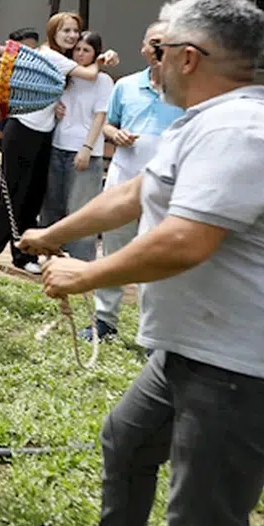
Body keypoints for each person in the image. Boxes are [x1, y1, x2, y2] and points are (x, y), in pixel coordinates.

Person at [19, 0, 264, 526]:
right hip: (196, 351)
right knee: (128, 441)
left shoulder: (241, 131)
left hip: (245, 369)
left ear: (188, 58)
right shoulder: (202, 124)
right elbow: (133, 196)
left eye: (160, 47)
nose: (151, 57)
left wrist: (84, 274)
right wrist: (52, 235)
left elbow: (186, 240)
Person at [0, 12, 117, 274]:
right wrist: (100, 59)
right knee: (13, 194)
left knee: (32, 197)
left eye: (75, 31)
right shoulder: (50, 55)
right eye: (66, 31)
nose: (72, 36)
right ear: (53, 33)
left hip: (45, 133)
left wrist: (57, 109)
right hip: (23, 130)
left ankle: (24, 255)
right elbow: (88, 73)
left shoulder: (63, 61)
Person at [81, 17, 184, 341]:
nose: (158, 49)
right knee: (113, 251)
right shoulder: (125, 86)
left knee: (159, 258)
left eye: (166, 43)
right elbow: (108, 124)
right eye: (153, 42)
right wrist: (116, 134)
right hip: (123, 183)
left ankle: (157, 332)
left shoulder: (188, 91)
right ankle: (104, 321)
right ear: (143, 48)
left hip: (168, 190)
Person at [40, 30, 114, 261]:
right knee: (52, 204)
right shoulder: (66, 76)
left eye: (86, 50)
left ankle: (80, 260)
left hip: (85, 151)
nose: (81, 54)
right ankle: (49, 253)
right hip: (57, 145)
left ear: (96, 53)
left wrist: (87, 148)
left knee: (80, 208)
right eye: (78, 49)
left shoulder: (103, 80)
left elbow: (100, 117)